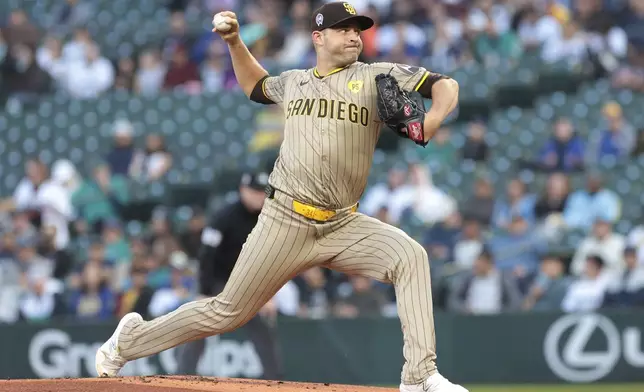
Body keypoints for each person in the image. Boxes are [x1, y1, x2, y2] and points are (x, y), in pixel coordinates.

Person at [95, 3, 462, 392]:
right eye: (344, 29)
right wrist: (235, 42)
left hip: (343, 222)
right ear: (318, 37)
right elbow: (257, 86)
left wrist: (431, 121)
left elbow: (445, 85)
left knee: (411, 257)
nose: (355, 36)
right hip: (286, 219)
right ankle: (129, 340)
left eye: (358, 29)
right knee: (226, 312)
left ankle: (419, 377)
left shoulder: (376, 76)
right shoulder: (295, 82)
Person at [174, 171, 284, 379]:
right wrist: (204, 291)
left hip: (250, 283)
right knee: (200, 327)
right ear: (243, 190)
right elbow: (207, 255)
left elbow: (273, 258)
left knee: (263, 329)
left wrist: (270, 294)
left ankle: (275, 380)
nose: (260, 196)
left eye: (263, 192)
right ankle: (182, 377)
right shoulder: (224, 216)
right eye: (255, 191)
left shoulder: (270, 216)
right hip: (219, 281)